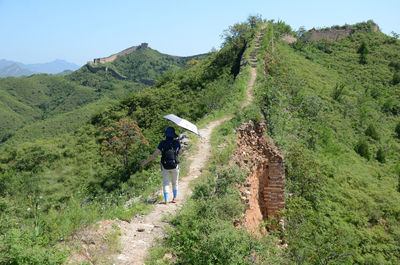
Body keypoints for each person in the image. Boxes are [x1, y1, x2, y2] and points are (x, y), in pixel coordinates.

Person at [140, 127, 182, 205]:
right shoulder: (176, 143)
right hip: (175, 165)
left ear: (166, 135)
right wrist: (179, 143)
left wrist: (145, 162)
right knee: (174, 182)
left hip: (164, 166)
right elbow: (180, 153)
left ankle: (166, 201)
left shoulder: (162, 143)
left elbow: (155, 154)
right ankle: (174, 198)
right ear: (173, 135)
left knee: (166, 182)